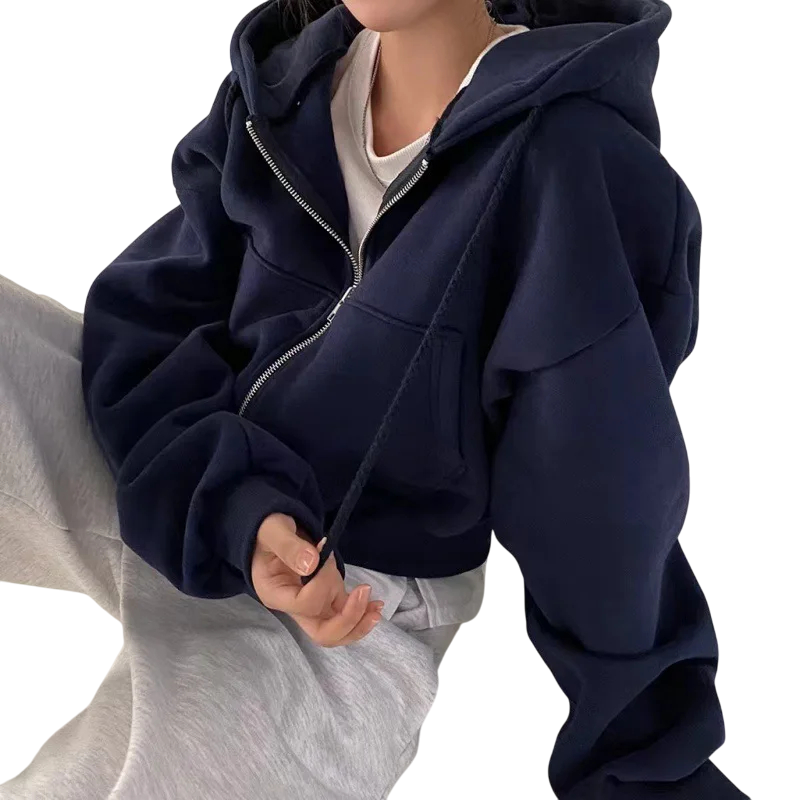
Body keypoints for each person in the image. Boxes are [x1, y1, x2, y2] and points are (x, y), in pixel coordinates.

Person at [0, 0, 750, 798]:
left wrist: (648, 765)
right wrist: (236, 506)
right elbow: (158, 322)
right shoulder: (283, 90)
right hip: (184, 476)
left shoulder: (566, 163)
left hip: (351, 599)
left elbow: (599, 502)